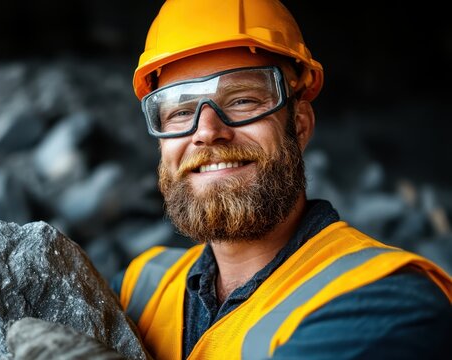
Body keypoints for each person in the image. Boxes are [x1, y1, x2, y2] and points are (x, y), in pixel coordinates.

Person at [111, 0, 452, 359]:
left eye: (242, 100)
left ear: (300, 124)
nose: (207, 132)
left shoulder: (385, 304)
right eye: (180, 111)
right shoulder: (141, 287)